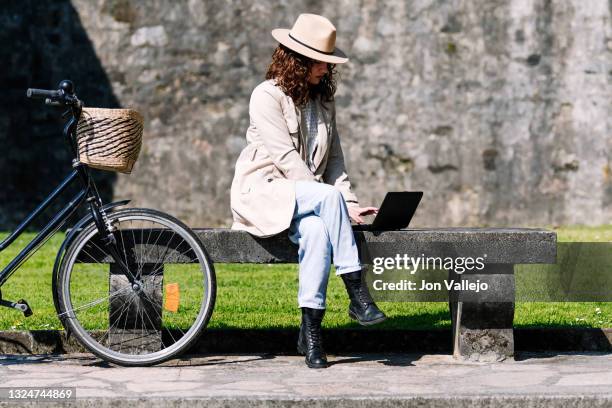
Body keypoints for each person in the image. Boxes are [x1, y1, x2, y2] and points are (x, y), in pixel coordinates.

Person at [230, 13, 386, 369]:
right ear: (298, 61)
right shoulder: (266, 96)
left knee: (317, 232)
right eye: (321, 62)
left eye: (329, 64)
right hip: (264, 193)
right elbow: (286, 159)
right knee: (326, 203)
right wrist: (331, 200)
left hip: (306, 201)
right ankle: (356, 291)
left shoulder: (324, 104)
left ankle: (311, 333)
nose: (325, 70)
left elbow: (335, 164)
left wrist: (349, 204)